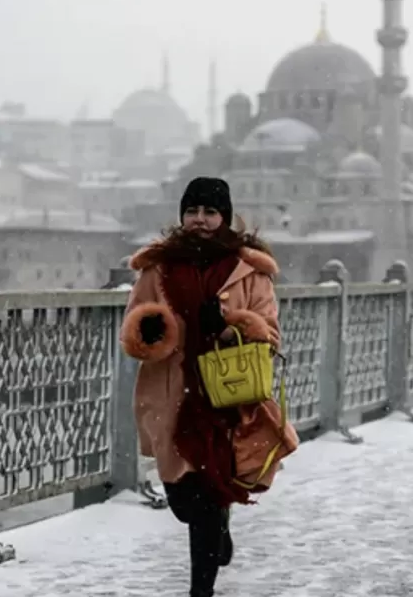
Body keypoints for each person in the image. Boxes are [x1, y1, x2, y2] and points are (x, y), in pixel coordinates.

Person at [119, 176, 299, 597]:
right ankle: (217, 524)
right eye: (192, 211)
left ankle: (202, 590)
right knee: (183, 501)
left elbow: (269, 333)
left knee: (206, 496)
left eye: (210, 212)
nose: (199, 220)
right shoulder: (157, 268)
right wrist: (151, 329)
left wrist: (227, 326)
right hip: (171, 394)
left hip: (227, 397)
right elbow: (136, 327)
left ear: (225, 217)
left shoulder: (249, 271)